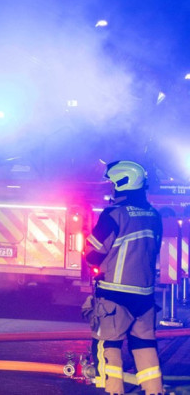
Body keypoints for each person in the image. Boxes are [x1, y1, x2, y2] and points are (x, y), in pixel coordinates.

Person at [83, 160, 164, 395]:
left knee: (108, 343)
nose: (111, 188)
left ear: (121, 183)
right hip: (145, 297)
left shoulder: (113, 215)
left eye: (112, 184)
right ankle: (154, 390)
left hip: (114, 295)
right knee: (144, 344)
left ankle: (112, 391)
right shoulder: (154, 215)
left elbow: (93, 254)